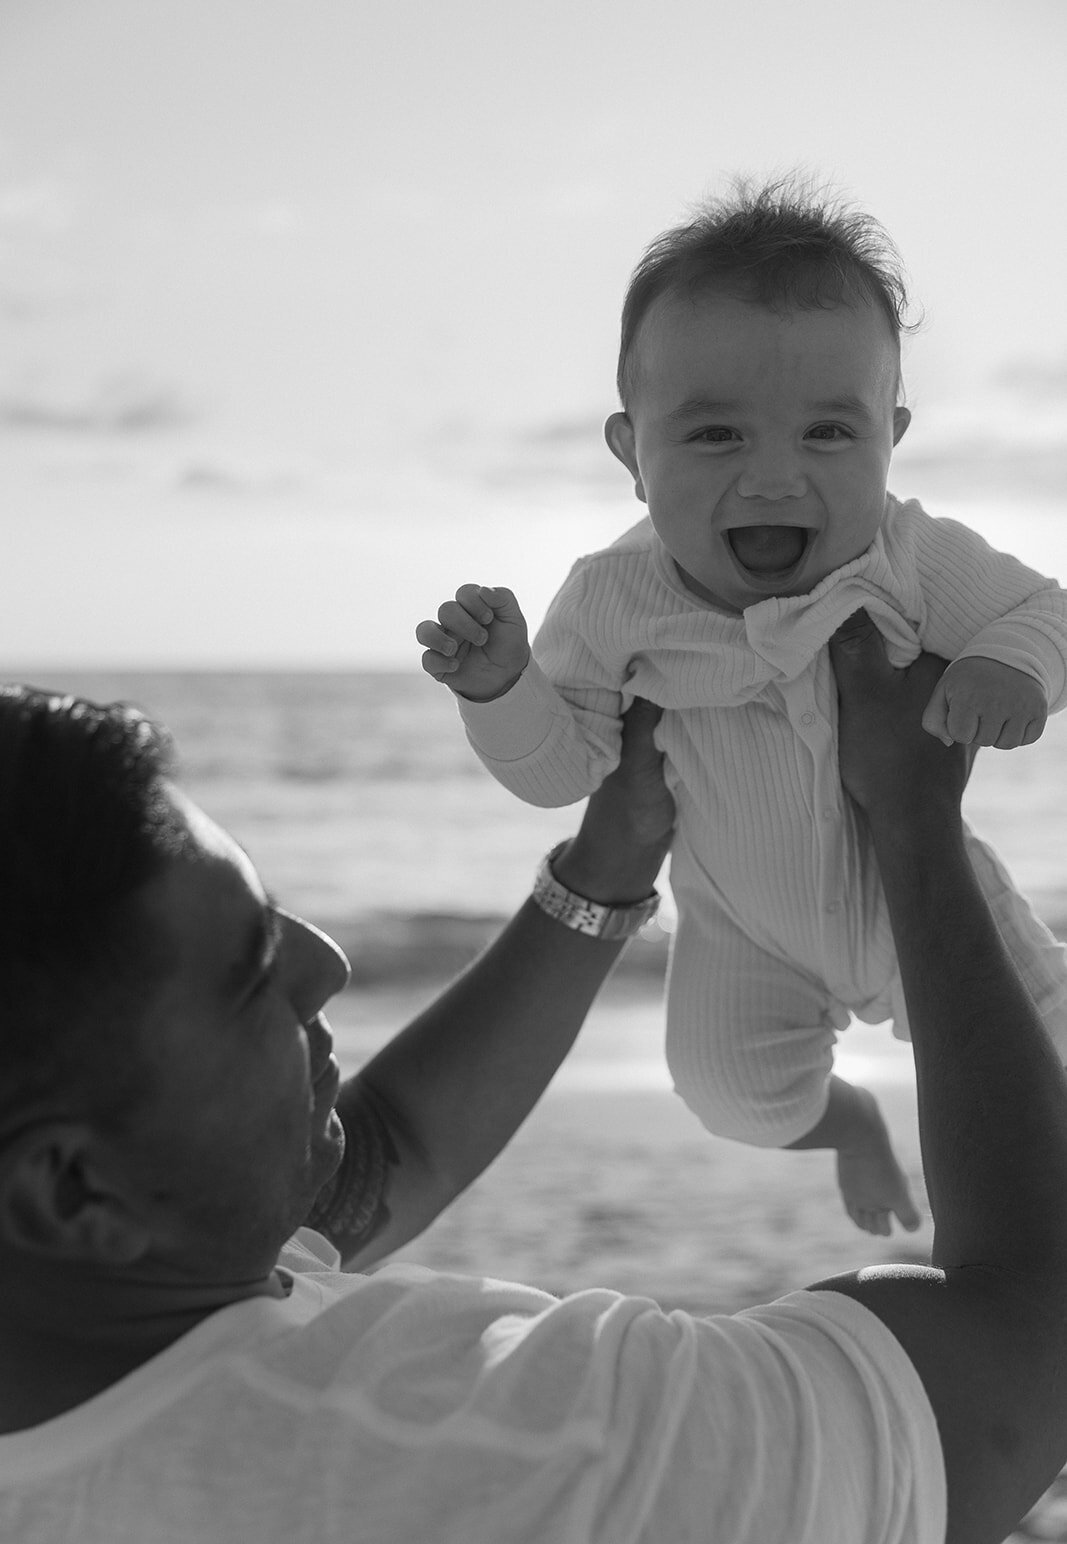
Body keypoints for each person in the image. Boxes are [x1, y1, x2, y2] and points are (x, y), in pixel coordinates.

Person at [1, 627, 1066, 1543]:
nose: (326, 963)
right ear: (68, 1189)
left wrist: (609, 861)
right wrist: (910, 820)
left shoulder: (92, 1295)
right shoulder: (513, 1461)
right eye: (248, 971)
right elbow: (1030, 1327)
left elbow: (377, 1158)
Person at [416, 177, 1067, 1238]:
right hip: (742, 929)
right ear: (631, 454)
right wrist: (501, 691)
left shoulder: (907, 556)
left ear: (891, 437)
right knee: (727, 1092)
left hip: (933, 903)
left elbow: (1044, 611)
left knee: (1048, 1052)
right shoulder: (612, 598)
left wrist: (1011, 667)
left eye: (827, 433)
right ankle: (848, 1120)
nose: (773, 478)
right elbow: (563, 771)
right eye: (716, 435)